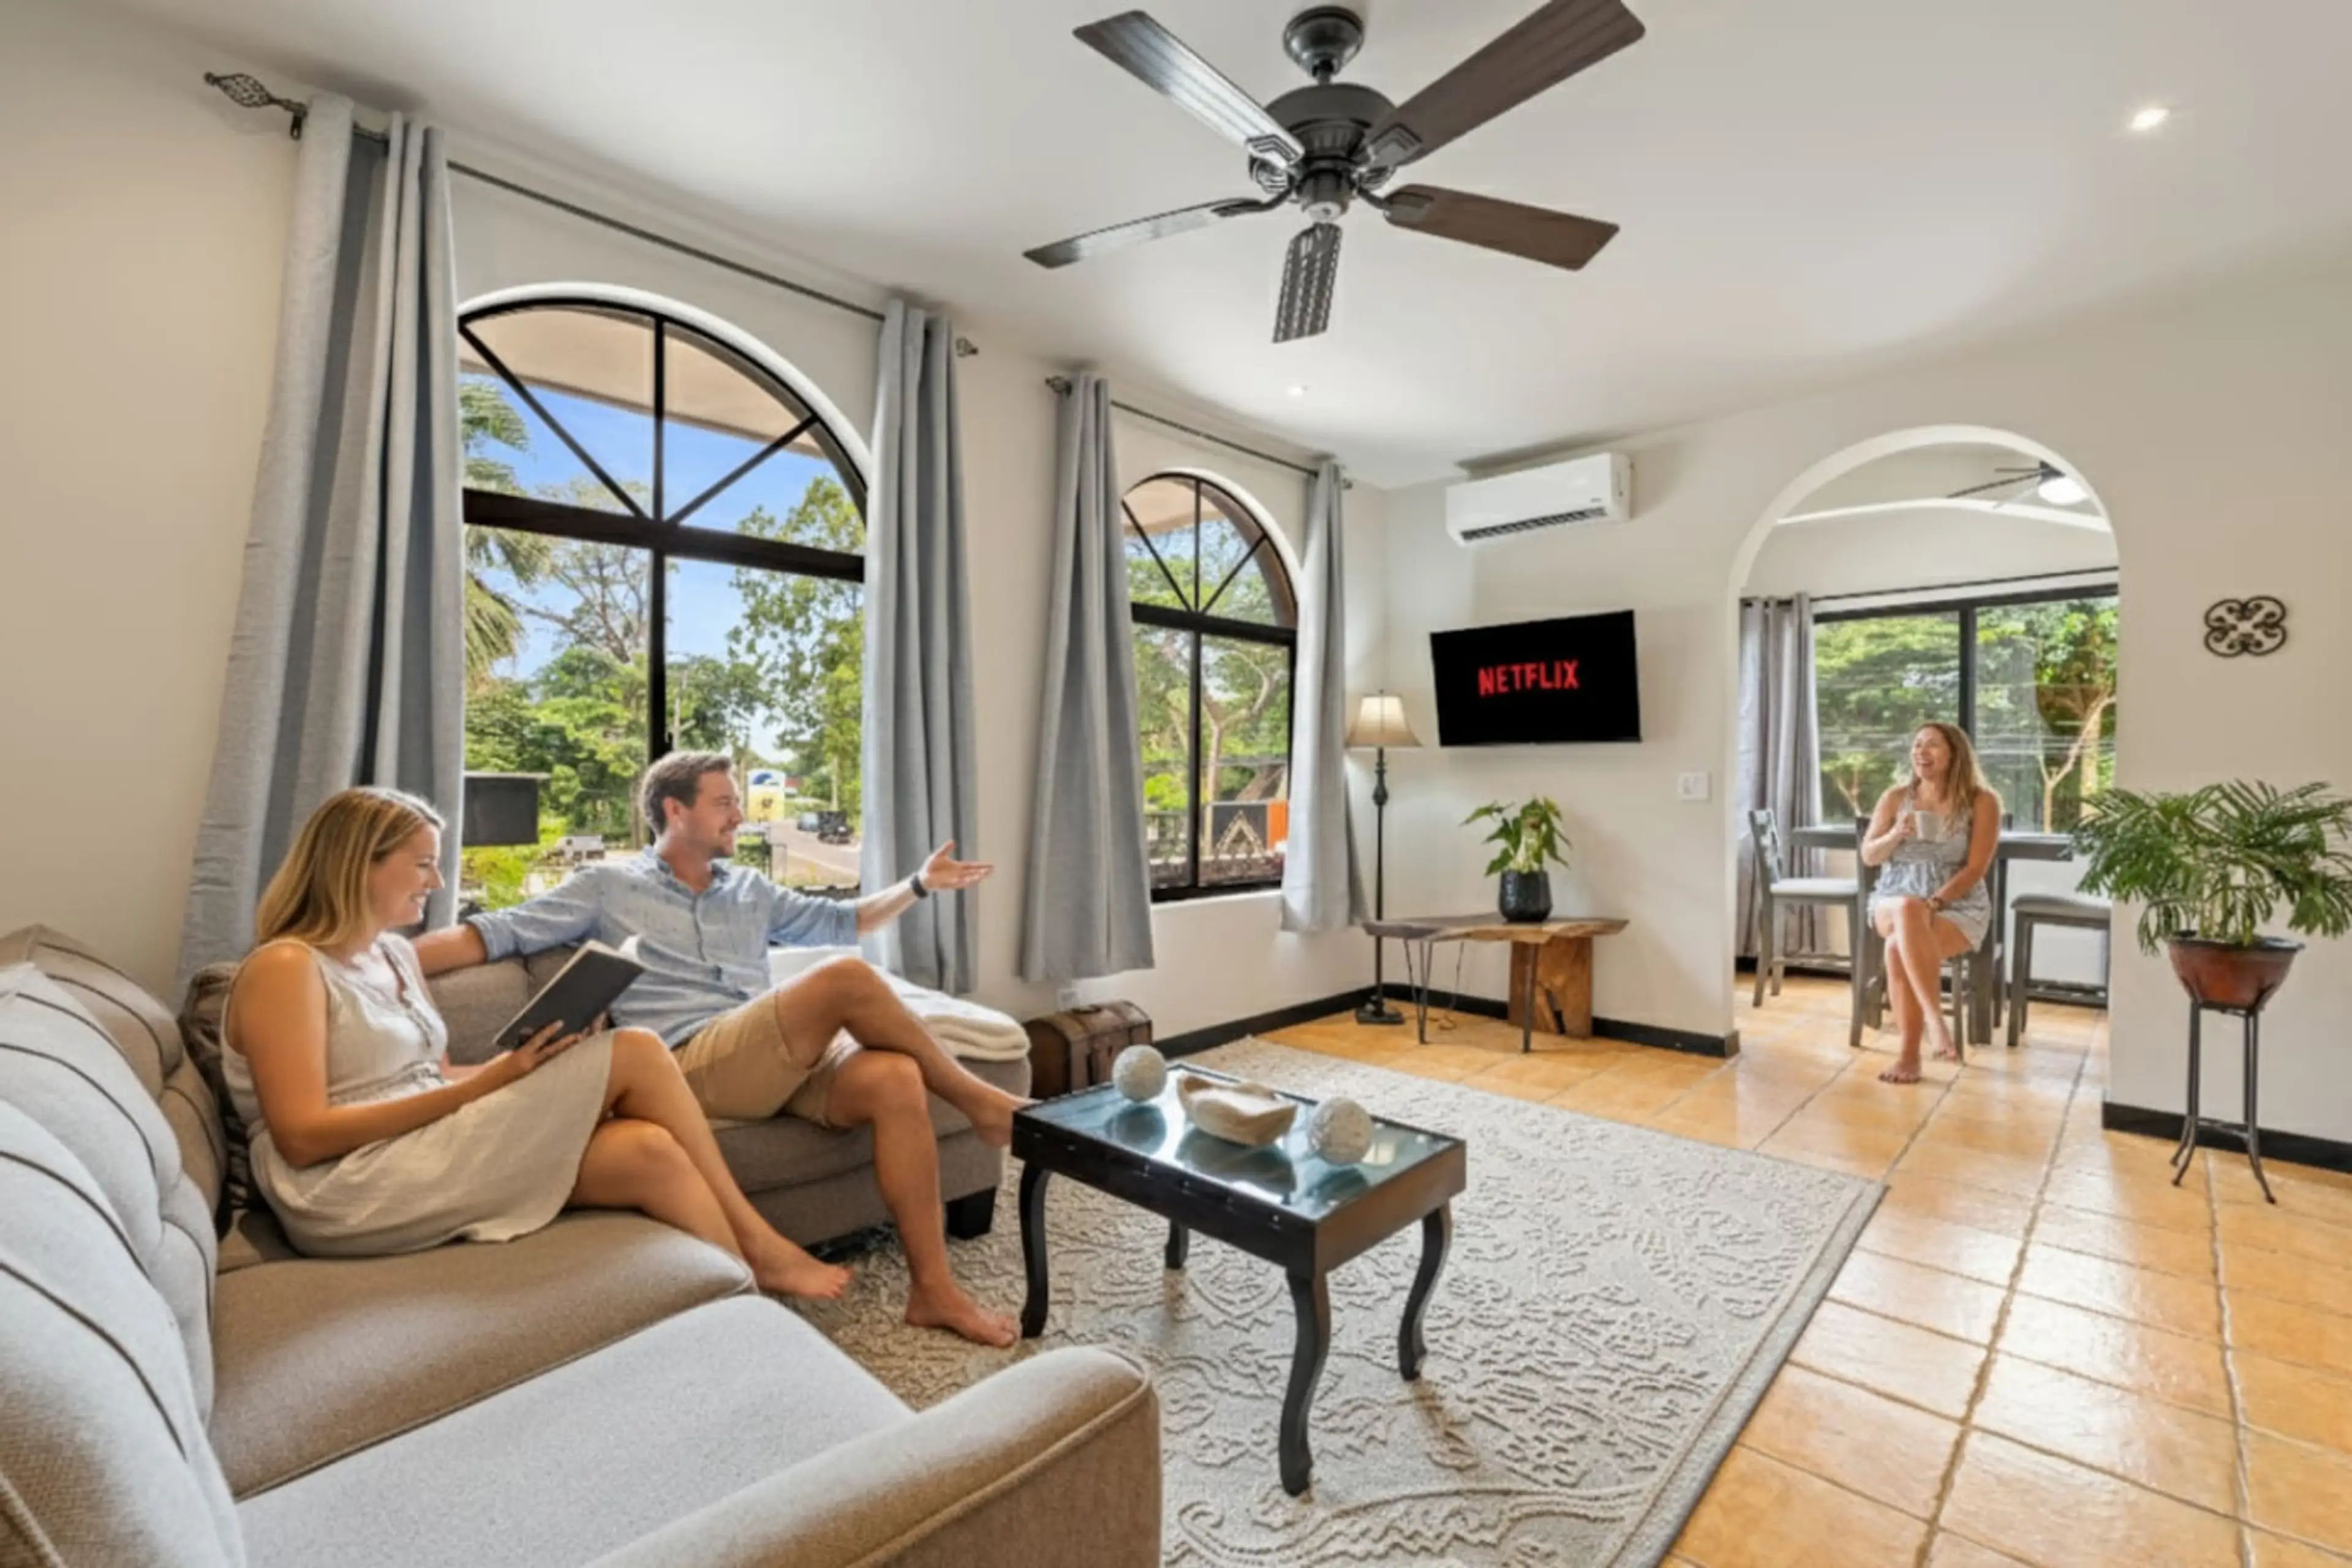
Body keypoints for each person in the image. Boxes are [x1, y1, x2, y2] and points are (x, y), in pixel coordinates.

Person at [413, 752, 1028, 1348]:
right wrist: (383, 956)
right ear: (675, 810)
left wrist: (919, 884)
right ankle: (982, 1104)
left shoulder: (751, 889)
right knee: (845, 979)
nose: (740, 815)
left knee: (894, 1077)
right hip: (688, 1064)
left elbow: (847, 921)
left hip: (771, 1058)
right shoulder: (608, 885)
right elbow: (494, 933)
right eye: (725, 803)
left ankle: (934, 1291)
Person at [222, 787, 851, 1300]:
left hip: (421, 1140)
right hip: (346, 1187)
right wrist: (495, 1082)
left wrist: (529, 1064)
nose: (436, 880)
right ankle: (762, 1246)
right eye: (421, 863)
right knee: (635, 1049)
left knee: (649, 1151)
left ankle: (744, 1304)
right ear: (359, 864)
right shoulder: (286, 967)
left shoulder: (394, 955)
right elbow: (303, 1136)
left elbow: (436, 1075)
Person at [1860, 722, 2000, 1085]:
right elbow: (1869, 856)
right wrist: (1896, 834)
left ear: (1955, 754)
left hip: (1957, 903)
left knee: (1897, 947)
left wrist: (1935, 902)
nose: (1921, 752)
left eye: (1932, 745)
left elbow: (1976, 869)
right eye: (1917, 745)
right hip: (1893, 898)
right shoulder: (1895, 798)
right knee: (1908, 907)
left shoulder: (1982, 801)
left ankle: (1909, 1058)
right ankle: (1936, 1020)